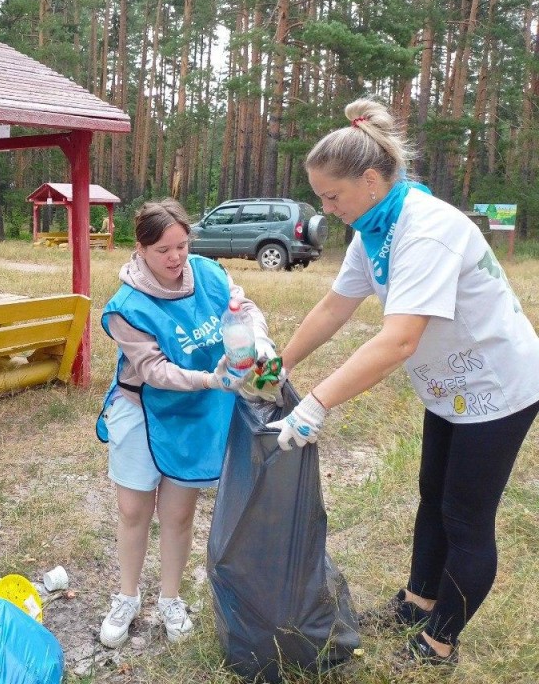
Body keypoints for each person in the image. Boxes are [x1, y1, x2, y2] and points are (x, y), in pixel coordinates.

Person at [268, 99, 539, 666]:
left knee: (466, 516)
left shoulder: (428, 229)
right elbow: (334, 308)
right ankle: (418, 601)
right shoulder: (374, 227)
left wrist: (315, 405)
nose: (325, 207)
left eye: (332, 196)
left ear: (370, 180)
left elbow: (398, 341)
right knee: (432, 497)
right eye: (320, 196)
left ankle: (438, 641)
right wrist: (280, 364)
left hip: (497, 386)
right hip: (449, 387)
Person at [95, 199, 275, 648]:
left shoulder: (207, 274)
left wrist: (260, 338)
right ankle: (127, 596)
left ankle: (170, 598)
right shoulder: (126, 307)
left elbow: (245, 308)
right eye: (164, 250)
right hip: (141, 410)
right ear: (140, 248)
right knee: (134, 510)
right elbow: (155, 372)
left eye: (182, 245)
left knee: (178, 514)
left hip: (196, 412)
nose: (176, 258)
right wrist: (211, 379)